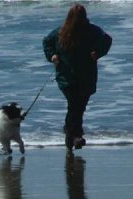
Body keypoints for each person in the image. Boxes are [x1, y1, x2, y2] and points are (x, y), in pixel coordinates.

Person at [43, 4, 112, 150]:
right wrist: (52, 56)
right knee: (75, 105)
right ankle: (76, 136)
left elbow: (107, 40)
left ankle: (70, 134)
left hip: (85, 76)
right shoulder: (61, 32)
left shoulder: (92, 31)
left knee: (79, 107)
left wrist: (98, 52)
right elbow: (47, 42)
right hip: (66, 76)